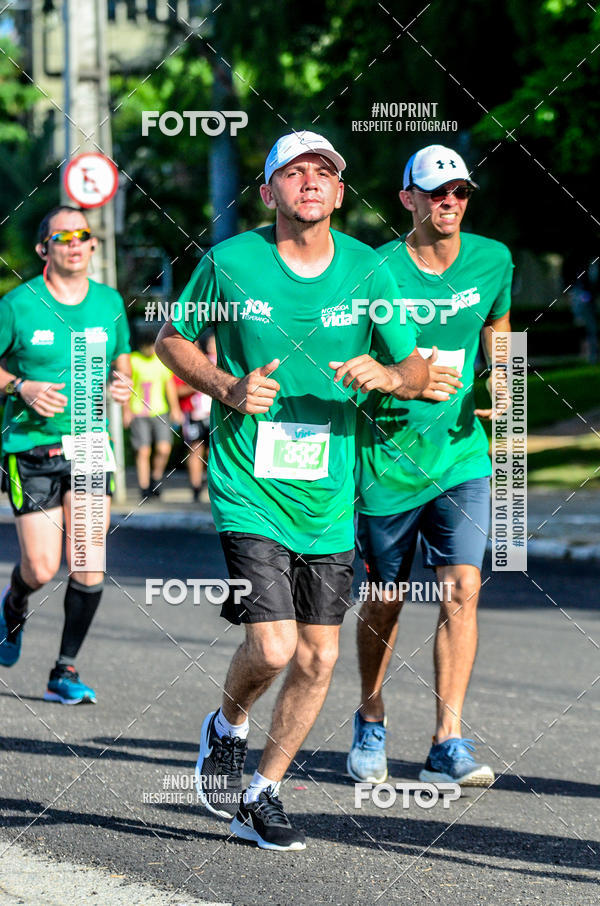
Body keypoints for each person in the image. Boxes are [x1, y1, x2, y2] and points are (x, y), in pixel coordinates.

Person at [156, 130, 428, 851]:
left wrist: (390, 375)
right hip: (248, 482)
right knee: (273, 650)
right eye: (295, 171)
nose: (311, 180)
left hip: (330, 495)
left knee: (320, 657)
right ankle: (229, 724)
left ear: (340, 193)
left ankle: (264, 790)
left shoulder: (372, 270)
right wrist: (226, 385)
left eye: (325, 172)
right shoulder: (230, 262)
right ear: (269, 190)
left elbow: (420, 372)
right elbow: (173, 340)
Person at [347, 144, 513, 788]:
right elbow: (348, 360)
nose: (450, 202)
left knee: (462, 588)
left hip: (462, 454)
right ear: (407, 199)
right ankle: (371, 715)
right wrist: (393, 381)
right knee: (385, 598)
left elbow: (499, 328)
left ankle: (448, 740)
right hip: (386, 459)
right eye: (437, 192)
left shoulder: (493, 259)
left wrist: (505, 381)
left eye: (461, 192)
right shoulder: (372, 269)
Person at [0, 205, 131, 703]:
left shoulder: (110, 302)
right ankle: (14, 606)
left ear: (93, 246)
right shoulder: (17, 305)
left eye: (84, 235)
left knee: (89, 560)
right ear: (44, 250)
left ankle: (64, 669)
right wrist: (21, 386)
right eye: (63, 236)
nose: (75, 243)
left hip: (91, 448)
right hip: (30, 448)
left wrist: (121, 383)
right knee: (38, 567)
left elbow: (120, 365)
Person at [124, 328, 181, 499]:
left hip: (159, 411)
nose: (149, 350)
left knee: (164, 448)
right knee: (143, 451)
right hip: (139, 412)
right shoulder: (133, 360)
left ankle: (155, 477)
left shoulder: (160, 360)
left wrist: (175, 408)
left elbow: (169, 385)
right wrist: (126, 410)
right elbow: (127, 387)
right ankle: (144, 487)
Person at [173, 331, 216, 502]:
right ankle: (196, 487)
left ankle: (212, 484)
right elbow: (177, 389)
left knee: (213, 450)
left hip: (214, 414)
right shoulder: (193, 364)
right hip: (194, 413)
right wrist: (197, 384)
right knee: (195, 449)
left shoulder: (221, 362)